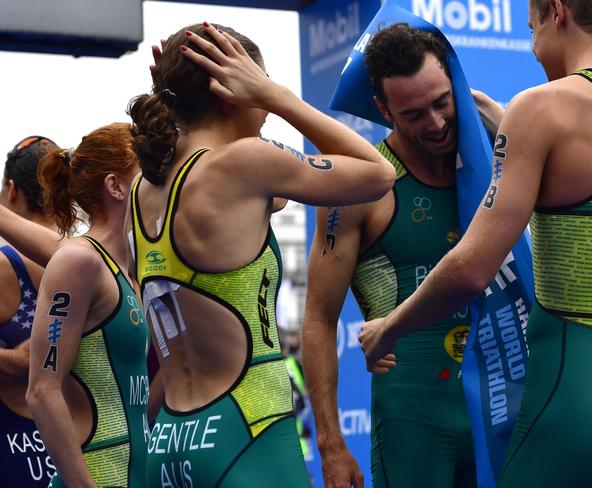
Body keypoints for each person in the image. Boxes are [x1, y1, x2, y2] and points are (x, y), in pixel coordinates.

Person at [359, 1, 592, 487]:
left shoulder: (542, 107)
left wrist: (389, 328)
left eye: (531, 28)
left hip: (579, 395)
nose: (534, 49)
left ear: (556, 11)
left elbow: (473, 270)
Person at [127, 22, 394, 487]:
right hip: (246, 431)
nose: (265, 107)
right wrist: (278, 95)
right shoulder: (244, 163)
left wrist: (174, 94)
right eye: (255, 80)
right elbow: (378, 174)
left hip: (170, 440)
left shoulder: (144, 187)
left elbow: (276, 197)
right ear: (232, 89)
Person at [303, 23, 483, 488]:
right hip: (412, 420)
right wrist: (330, 444)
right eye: (414, 114)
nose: (437, 123)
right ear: (383, 109)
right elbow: (319, 320)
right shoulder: (358, 191)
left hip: (499, 405)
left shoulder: (493, 167)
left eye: (443, 102)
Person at [26, 123, 149, 487]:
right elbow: (41, 391)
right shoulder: (80, 262)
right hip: (97, 475)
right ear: (116, 187)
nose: (162, 183)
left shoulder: (127, 269)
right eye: (149, 173)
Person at [0, 136, 60, 487]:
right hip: (92, 438)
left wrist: (15, 360)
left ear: (11, 190)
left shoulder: (6, 270)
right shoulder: (101, 261)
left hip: (15, 442)